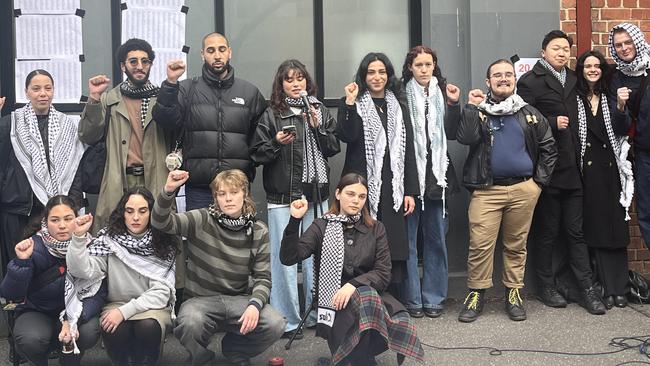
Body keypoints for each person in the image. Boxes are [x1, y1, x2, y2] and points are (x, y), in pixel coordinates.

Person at [281, 173, 424, 366]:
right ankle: (357, 359)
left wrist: (353, 286)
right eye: (350, 194)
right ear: (338, 194)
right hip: (334, 303)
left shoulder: (376, 228)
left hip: (372, 299)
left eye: (361, 196)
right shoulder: (321, 226)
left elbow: (383, 273)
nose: (356, 200)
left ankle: (359, 358)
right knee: (365, 301)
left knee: (367, 298)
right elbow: (289, 258)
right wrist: (294, 220)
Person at [456, 59, 557, 322]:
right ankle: (476, 294)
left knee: (516, 246)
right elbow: (465, 137)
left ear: (515, 80)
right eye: (497, 75)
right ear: (488, 81)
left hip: (524, 190)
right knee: (480, 245)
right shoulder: (480, 111)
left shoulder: (529, 113)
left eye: (508, 75)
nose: (504, 78)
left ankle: (514, 294)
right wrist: (469, 106)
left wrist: (538, 183)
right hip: (486, 191)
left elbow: (549, 147)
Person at [152, 169, 285, 366]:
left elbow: (263, 277)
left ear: (244, 194)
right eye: (222, 194)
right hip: (201, 300)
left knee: (276, 323)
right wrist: (168, 190)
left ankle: (235, 349)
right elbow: (161, 223)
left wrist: (254, 305)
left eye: (234, 192)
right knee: (189, 322)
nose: (228, 199)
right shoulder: (201, 219)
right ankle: (201, 356)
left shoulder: (258, 230)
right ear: (215, 197)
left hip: (238, 300)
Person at [517, 30, 605, 315]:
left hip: (575, 168)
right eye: (556, 48)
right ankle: (546, 286)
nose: (562, 52)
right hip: (547, 169)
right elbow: (522, 119)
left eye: (566, 48)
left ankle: (586, 289)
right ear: (543, 52)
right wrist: (551, 122)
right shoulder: (530, 81)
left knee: (576, 232)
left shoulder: (575, 79)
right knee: (547, 232)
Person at [251, 59, 340, 338]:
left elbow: (333, 148)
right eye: (289, 79)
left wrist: (319, 127)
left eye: (300, 78)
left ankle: (316, 315)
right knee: (285, 260)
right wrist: (276, 142)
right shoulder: (271, 114)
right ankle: (288, 320)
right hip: (284, 196)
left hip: (317, 194)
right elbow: (256, 153)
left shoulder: (319, 109)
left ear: (307, 81)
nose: (295, 83)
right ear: (281, 85)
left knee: (317, 256)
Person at [152, 32, 267, 210]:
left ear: (229, 52)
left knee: (238, 237)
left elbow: (260, 139)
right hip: (199, 188)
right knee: (199, 237)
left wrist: (247, 165)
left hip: (237, 188)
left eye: (221, 49)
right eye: (211, 50)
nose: (217, 55)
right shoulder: (186, 89)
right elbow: (165, 121)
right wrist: (170, 83)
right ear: (202, 55)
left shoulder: (249, 92)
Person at [67, 187, 177, 366]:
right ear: (122, 213)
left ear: (151, 213)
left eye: (142, 211)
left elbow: (161, 293)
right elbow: (82, 271)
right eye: (129, 211)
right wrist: (78, 239)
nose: (135, 217)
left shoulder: (163, 242)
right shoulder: (110, 241)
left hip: (152, 307)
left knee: (147, 326)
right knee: (114, 327)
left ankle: (148, 361)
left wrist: (123, 312)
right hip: (116, 304)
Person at [336, 52, 418, 287]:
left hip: (393, 185)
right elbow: (346, 135)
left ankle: (391, 296)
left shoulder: (398, 105)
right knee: (363, 238)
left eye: (382, 71)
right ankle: (362, 292)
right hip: (362, 183)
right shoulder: (354, 103)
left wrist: (409, 190)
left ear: (388, 75)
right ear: (363, 76)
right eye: (371, 72)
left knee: (392, 241)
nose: (377, 76)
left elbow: (408, 149)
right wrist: (349, 102)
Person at [78, 38, 173, 234]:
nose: (140, 66)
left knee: (159, 236)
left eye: (145, 61)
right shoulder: (109, 99)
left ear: (151, 65)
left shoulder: (163, 99)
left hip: (154, 177)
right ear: (123, 66)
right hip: (118, 179)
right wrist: (94, 98)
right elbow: (88, 135)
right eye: (133, 61)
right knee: (114, 236)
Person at [0, 195, 105, 366]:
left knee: (88, 331)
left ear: (77, 219)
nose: (62, 226)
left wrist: (72, 319)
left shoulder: (92, 246)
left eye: (68, 219)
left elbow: (99, 293)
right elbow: (10, 294)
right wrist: (22, 262)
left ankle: (70, 361)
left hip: (76, 310)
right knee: (30, 338)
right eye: (55, 220)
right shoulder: (34, 245)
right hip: (38, 311)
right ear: (45, 222)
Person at [0, 70, 85, 276]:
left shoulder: (66, 125)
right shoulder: (10, 123)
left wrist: (72, 205)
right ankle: (18, 308)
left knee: (54, 271)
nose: (42, 94)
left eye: (48, 88)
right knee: (19, 266)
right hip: (19, 210)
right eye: (36, 89)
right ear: (26, 92)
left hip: (56, 211)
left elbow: (74, 168)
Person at [399, 45, 461, 319]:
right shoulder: (400, 95)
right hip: (409, 177)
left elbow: (452, 132)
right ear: (410, 68)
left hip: (437, 177)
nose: (424, 70)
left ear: (434, 66)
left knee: (436, 240)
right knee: (408, 242)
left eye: (428, 64)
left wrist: (454, 105)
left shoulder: (443, 91)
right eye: (419, 65)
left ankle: (434, 297)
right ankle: (412, 299)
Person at [576, 50, 634, 309]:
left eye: (596, 65)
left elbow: (623, 128)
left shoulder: (611, 94)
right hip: (587, 170)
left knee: (615, 226)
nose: (592, 69)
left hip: (612, 168)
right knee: (596, 227)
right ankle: (604, 288)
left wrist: (621, 106)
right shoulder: (575, 98)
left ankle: (619, 288)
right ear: (581, 69)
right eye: (587, 65)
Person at [608, 23, 650, 253]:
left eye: (628, 42)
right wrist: (620, 105)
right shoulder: (617, 78)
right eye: (618, 45)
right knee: (646, 213)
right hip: (644, 154)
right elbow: (620, 127)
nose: (624, 48)